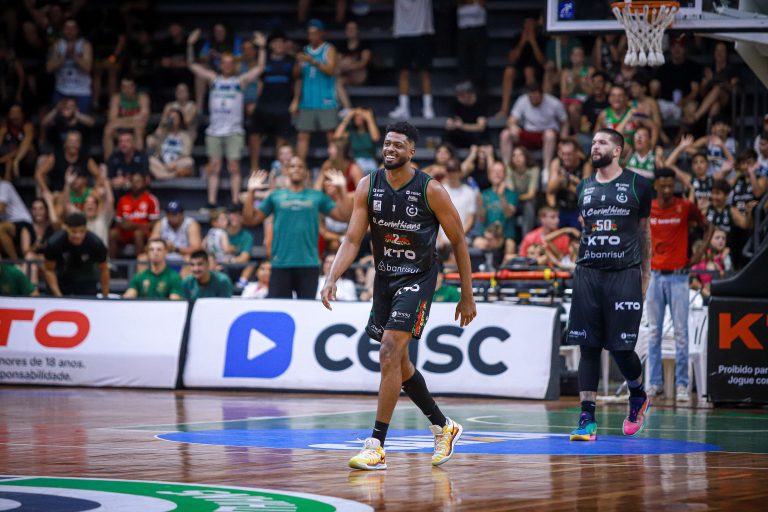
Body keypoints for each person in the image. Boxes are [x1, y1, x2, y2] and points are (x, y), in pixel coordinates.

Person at [319, 121, 475, 470]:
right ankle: (443, 426)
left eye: (398, 145)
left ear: (411, 151)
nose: (390, 149)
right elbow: (352, 239)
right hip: (385, 277)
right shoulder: (368, 185)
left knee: (389, 350)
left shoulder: (431, 190)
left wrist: (467, 294)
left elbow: (459, 240)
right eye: (387, 143)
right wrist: (332, 276)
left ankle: (376, 445)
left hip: (419, 278)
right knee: (398, 363)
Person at [566, 128, 653, 442]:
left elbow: (644, 233)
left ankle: (638, 395)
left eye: (602, 142)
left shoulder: (639, 185)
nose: (595, 147)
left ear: (617, 151)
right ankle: (587, 417)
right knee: (587, 346)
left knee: (621, 348)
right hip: (588, 272)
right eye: (592, 142)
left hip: (624, 273)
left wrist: (646, 273)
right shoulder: (584, 187)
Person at [242, 159, 352, 299]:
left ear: (306, 173)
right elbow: (250, 220)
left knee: (306, 310)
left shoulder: (316, 196)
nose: (296, 169)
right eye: (292, 166)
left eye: (300, 166)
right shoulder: (275, 196)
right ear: (287, 171)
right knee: (279, 309)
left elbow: (344, 216)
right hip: (280, 263)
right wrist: (251, 192)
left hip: (309, 263)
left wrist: (342, 189)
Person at [646, 167, 712, 402]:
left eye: (670, 185)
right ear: (656, 185)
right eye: (662, 185)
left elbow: (708, 226)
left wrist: (699, 254)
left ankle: (682, 384)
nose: (666, 189)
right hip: (654, 275)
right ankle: (655, 383)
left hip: (679, 276)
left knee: (681, 332)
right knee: (654, 332)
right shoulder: (648, 207)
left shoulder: (684, 206)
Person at [187, 29, 266, 207]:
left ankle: (235, 200)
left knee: (234, 166)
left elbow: (260, 68)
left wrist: (262, 48)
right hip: (214, 130)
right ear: (220, 64)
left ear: (234, 65)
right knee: (214, 166)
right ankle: (211, 202)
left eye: (231, 63)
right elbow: (192, 65)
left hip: (234, 130)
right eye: (224, 63)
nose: (228, 66)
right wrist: (190, 45)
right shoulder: (213, 80)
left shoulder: (239, 81)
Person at [291, 19, 338, 162]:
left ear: (322, 34)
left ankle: (335, 166)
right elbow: (296, 76)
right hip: (307, 101)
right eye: (309, 34)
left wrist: (313, 61)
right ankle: (300, 167)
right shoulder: (304, 51)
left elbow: (331, 70)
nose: (312, 36)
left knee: (331, 135)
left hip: (326, 100)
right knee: (302, 135)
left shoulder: (329, 49)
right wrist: (297, 63)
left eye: (315, 33)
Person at [248, 32, 295, 171]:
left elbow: (297, 82)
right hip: (264, 104)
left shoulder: (291, 61)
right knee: (254, 134)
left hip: (283, 105)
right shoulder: (265, 60)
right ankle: (254, 167)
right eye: (276, 42)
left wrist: (296, 101)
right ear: (271, 45)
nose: (279, 45)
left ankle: (278, 170)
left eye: (281, 42)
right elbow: (259, 82)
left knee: (281, 138)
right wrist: (255, 101)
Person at [500, 82, 568, 175]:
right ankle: (506, 169)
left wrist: (564, 140)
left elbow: (564, 122)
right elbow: (511, 120)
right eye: (531, 98)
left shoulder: (554, 103)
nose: (534, 100)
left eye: (536, 97)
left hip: (547, 136)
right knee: (505, 134)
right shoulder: (522, 100)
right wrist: (512, 126)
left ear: (542, 95)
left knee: (550, 135)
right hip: (528, 134)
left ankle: (546, 170)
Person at [43, 211, 109, 297]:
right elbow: (49, 270)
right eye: (74, 231)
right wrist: (58, 295)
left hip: (86, 279)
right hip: (61, 278)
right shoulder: (54, 243)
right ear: (66, 228)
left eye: (82, 231)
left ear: (86, 229)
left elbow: (104, 269)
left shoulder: (96, 243)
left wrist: (105, 296)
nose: (78, 235)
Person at [389, 0, 436, 119]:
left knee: (424, 72)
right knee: (403, 72)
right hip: (402, 33)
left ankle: (427, 107)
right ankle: (404, 107)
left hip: (423, 32)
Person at [496, 16, 546, 118]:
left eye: (530, 24)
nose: (528, 27)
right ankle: (504, 110)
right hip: (519, 71)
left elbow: (542, 61)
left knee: (529, 70)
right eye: (526, 24)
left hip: (537, 72)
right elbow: (511, 59)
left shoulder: (541, 38)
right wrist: (522, 42)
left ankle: (531, 109)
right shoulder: (517, 37)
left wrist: (533, 41)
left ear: (535, 24)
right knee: (509, 71)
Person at [46, 18, 93, 113]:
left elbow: (88, 68)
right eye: (67, 28)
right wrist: (65, 55)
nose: (70, 31)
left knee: (80, 119)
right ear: (63, 30)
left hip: (81, 92)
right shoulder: (57, 45)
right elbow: (49, 68)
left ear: (77, 30)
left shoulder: (85, 44)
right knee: (59, 118)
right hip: (61, 90)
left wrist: (74, 55)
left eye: (72, 28)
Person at [111, 172, 160, 258]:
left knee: (138, 233)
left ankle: (139, 263)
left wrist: (136, 226)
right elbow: (118, 221)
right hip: (126, 232)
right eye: (133, 181)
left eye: (138, 181)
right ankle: (111, 262)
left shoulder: (151, 199)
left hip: (143, 232)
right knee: (112, 233)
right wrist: (122, 225)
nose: (135, 184)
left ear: (144, 183)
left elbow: (155, 223)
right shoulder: (123, 200)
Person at [546, 139, 591, 229]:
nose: (565, 157)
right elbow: (550, 189)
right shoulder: (557, 162)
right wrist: (560, 180)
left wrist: (569, 182)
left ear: (577, 153)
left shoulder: (585, 165)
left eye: (569, 154)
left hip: (578, 208)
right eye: (563, 154)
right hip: (560, 207)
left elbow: (586, 192)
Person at [102, 76, 150, 156]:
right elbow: (112, 119)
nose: (127, 90)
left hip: (136, 128)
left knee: (139, 128)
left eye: (129, 87)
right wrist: (133, 119)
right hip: (121, 129)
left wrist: (120, 120)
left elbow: (143, 118)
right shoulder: (116, 98)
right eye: (124, 87)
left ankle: (138, 160)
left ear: (134, 87)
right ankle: (109, 161)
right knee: (108, 129)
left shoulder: (143, 97)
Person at [150, 200, 203, 265]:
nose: (171, 217)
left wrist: (175, 249)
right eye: (169, 214)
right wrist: (163, 246)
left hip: (183, 256)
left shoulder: (190, 224)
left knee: (189, 259)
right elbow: (150, 243)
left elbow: (196, 249)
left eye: (174, 214)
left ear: (182, 214)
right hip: (163, 256)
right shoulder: (161, 223)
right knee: (143, 258)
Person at [148, 108, 195, 179]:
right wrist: (160, 128)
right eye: (170, 118)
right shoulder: (163, 133)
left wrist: (173, 163)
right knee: (150, 160)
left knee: (189, 161)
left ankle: (162, 175)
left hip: (177, 163)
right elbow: (150, 143)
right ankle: (171, 175)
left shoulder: (185, 135)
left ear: (180, 120)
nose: (172, 120)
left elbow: (186, 153)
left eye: (175, 118)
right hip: (162, 163)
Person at [335, 108, 381, 175]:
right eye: (356, 117)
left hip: (371, 162)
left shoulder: (370, 133)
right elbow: (337, 136)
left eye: (360, 116)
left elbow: (375, 138)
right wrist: (348, 116)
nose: (357, 118)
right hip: (357, 163)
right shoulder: (352, 133)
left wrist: (369, 118)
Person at [506, 145, 539, 236]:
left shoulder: (534, 170)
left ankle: (526, 237)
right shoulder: (509, 169)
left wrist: (516, 197)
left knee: (529, 205)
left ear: (526, 157)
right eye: (514, 155)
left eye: (520, 155)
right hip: (514, 201)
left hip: (528, 201)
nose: (517, 158)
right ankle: (508, 236)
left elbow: (531, 194)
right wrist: (514, 198)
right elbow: (510, 192)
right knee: (507, 204)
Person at [443, 81, 488, 149]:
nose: (459, 98)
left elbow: (481, 127)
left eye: (462, 95)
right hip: (460, 133)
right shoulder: (455, 102)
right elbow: (450, 120)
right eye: (458, 95)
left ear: (469, 94)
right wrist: (451, 124)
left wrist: (462, 126)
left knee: (478, 137)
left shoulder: (480, 102)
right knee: (448, 134)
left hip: (474, 134)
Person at [0, 104, 36, 181]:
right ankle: (6, 181)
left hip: (24, 159)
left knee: (30, 148)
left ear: (22, 114)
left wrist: (16, 160)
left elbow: (26, 144)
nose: (15, 116)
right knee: (9, 161)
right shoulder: (5, 128)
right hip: (6, 157)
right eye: (12, 113)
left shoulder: (27, 126)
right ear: (9, 115)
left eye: (17, 113)